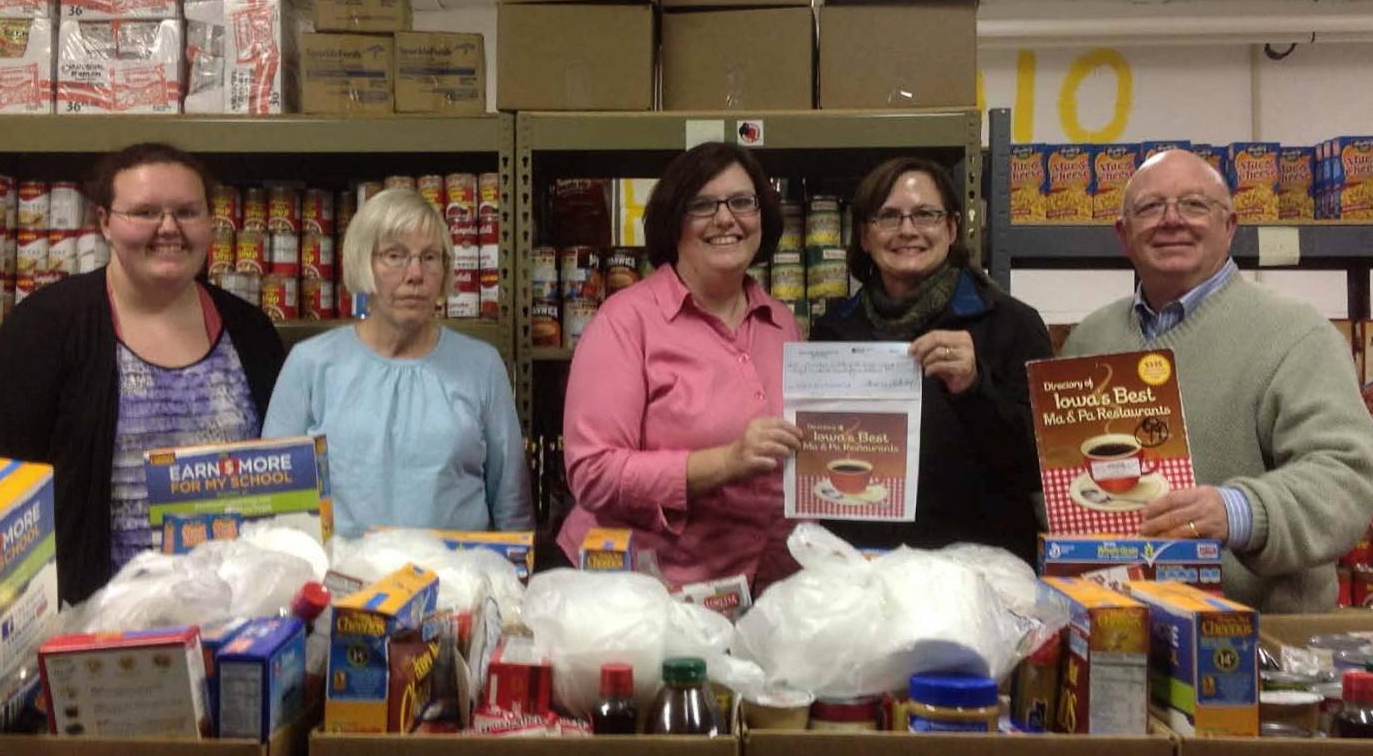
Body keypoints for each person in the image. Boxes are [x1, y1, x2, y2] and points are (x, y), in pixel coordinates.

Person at [0, 143, 286, 604]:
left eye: (187, 212)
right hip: (92, 631)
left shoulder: (250, 330)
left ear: (210, 223)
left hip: (237, 624)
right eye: (145, 211)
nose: (168, 228)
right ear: (104, 223)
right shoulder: (46, 328)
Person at [1063, 148, 1373, 611]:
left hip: (1260, 645)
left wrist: (1238, 512)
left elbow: (1347, 476)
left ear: (1229, 226)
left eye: (1194, 204)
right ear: (1123, 234)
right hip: (1113, 627)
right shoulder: (1091, 338)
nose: (1172, 220)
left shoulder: (1294, 332)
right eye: (1150, 208)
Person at [559, 141, 803, 593]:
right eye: (703, 205)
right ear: (674, 222)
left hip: (760, 589)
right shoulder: (625, 321)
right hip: (648, 597)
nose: (726, 219)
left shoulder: (781, 323)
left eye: (742, 202)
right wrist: (725, 461)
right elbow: (592, 473)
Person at [811, 157, 1052, 564]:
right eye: (888, 217)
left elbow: (1042, 467)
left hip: (979, 576)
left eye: (925, 214)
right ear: (865, 236)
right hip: (865, 571)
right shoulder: (835, 331)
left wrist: (975, 387)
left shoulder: (1011, 323)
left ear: (952, 228)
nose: (908, 230)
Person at [263, 188, 530, 536]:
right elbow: (275, 501)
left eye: (430, 257)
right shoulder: (311, 364)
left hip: (457, 582)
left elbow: (513, 505)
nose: (415, 274)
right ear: (363, 263)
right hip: (345, 585)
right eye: (395, 255)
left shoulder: (482, 366)